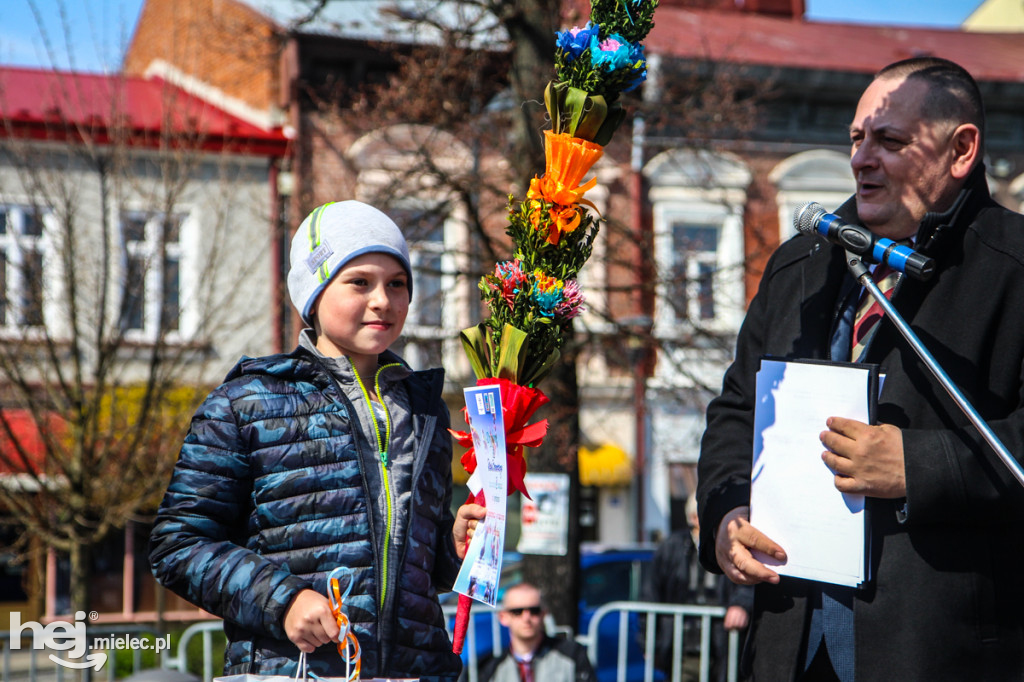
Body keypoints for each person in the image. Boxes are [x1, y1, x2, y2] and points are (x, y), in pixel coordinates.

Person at [697, 56, 1024, 681]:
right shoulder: (800, 264)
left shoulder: (1012, 269)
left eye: (890, 141)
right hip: (790, 640)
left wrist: (918, 467)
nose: (861, 159)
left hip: (936, 649)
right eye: (856, 138)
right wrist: (728, 516)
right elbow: (737, 412)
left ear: (960, 151)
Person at [149, 200, 487, 680]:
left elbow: (417, 571)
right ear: (314, 290)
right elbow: (177, 545)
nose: (382, 301)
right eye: (359, 282)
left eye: (397, 283)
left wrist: (454, 548)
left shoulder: (425, 407)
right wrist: (282, 601)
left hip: (416, 671)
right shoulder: (247, 402)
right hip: (294, 670)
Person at [641, 495, 752, 682]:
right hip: (683, 651)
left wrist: (741, 605)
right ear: (694, 518)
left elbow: (749, 582)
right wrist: (648, 644)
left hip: (723, 648)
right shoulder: (671, 548)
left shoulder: (733, 547)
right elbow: (650, 595)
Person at [477, 582, 595, 682]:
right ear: (503, 617)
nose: (526, 618)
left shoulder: (572, 654)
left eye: (534, 611)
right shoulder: (492, 669)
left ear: (544, 614)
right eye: (517, 612)